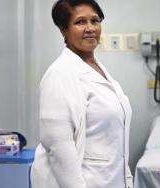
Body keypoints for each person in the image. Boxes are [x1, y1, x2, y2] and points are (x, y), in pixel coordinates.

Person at [30, 0, 133, 187]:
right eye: (80, 22)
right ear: (63, 30)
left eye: (95, 20)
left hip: (110, 180)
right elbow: (58, 147)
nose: (90, 28)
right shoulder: (60, 74)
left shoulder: (98, 69)